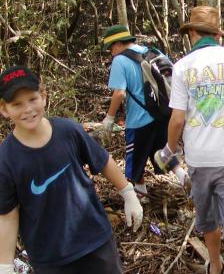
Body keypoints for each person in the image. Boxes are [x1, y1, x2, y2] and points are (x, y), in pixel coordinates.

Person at [0, 66, 143, 274]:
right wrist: (5, 264)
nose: (28, 109)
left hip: (95, 240)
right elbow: (7, 214)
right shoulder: (6, 158)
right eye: (17, 104)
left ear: (43, 96)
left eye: (32, 99)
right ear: (4, 109)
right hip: (50, 257)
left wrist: (128, 192)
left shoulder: (67, 131)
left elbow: (102, 160)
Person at [155, 6, 224, 274]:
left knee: (208, 219)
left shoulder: (181, 67)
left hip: (199, 161)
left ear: (192, 32)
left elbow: (177, 119)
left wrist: (169, 150)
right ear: (217, 34)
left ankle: (214, 265)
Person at [101, 25, 188, 196]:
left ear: (118, 43)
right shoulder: (154, 51)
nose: (111, 53)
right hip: (163, 114)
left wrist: (109, 118)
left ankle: (139, 193)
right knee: (162, 149)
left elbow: (118, 92)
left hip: (138, 120)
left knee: (135, 160)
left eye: (111, 48)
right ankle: (183, 176)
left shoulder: (120, 60)